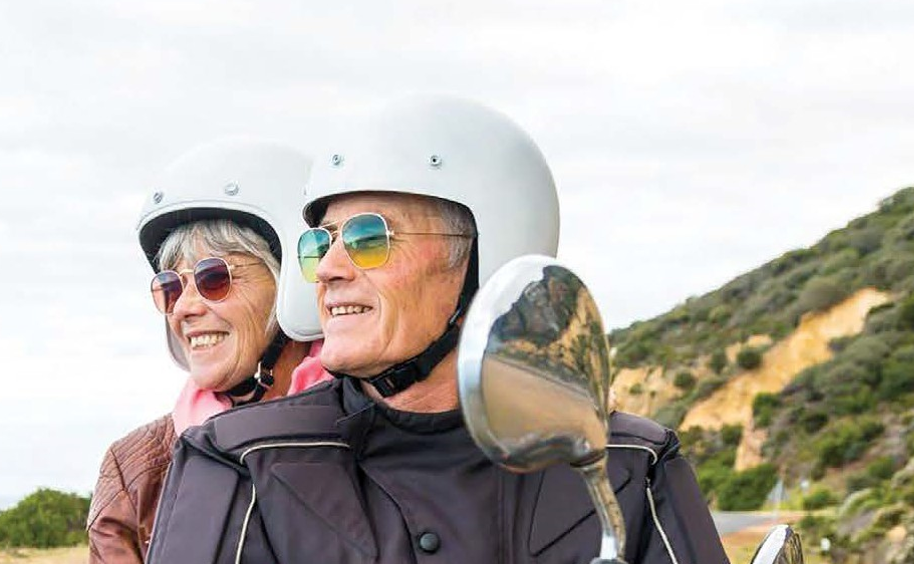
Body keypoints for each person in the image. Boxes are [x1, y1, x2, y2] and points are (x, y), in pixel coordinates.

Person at [145, 96, 728, 564]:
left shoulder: (628, 461)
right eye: (321, 242)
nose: (328, 269)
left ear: (484, 258)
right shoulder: (239, 458)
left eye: (370, 239)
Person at [88, 139, 332, 564]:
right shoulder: (137, 472)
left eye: (214, 277)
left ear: (293, 281)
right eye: (170, 286)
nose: (184, 307)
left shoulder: (376, 429)